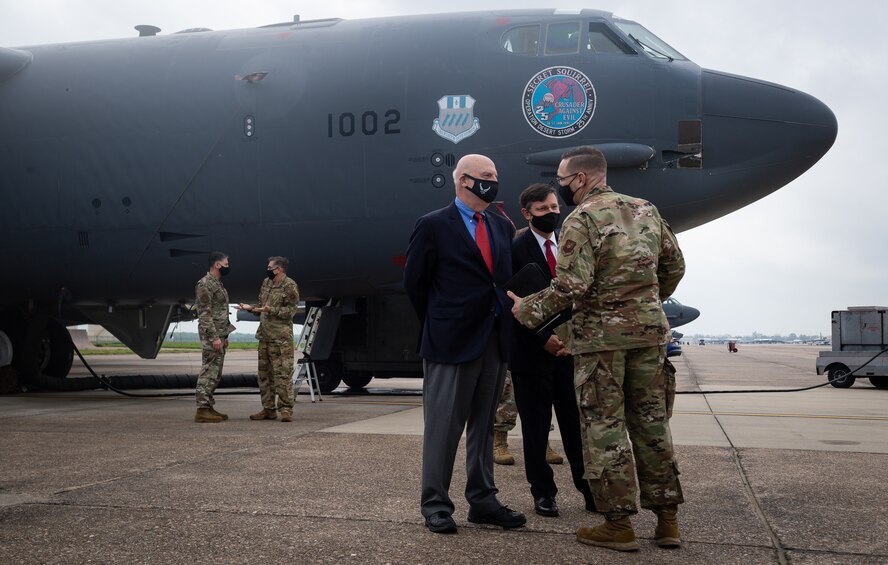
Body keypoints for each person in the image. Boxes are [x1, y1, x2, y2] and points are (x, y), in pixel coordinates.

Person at [509, 146, 686, 552]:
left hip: (602, 343)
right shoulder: (646, 210)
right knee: (652, 425)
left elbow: (570, 285)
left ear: (582, 179)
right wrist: (643, 299)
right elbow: (674, 267)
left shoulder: (582, 219)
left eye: (563, 179)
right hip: (648, 336)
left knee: (605, 430)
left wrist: (527, 310)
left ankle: (619, 525)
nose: (562, 186)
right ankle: (667, 522)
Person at [404, 153, 526, 535]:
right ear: (463, 181)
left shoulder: (501, 225)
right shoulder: (433, 225)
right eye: (486, 175)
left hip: (493, 338)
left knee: (484, 427)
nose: (493, 180)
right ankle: (436, 504)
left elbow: (502, 281)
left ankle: (483, 499)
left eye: (495, 174)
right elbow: (415, 284)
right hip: (450, 340)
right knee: (443, 428)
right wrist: (442, 321)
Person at [509, 183, 597, 518]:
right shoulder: (515, 248)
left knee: (576, 429)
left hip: (571, 353)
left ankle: (588, 490)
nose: (551, 213)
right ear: (527, 213)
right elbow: (510, 301)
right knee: (535, 429)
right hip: (532, 353)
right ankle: (543, 493)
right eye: (543, 209)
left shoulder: (571, 245)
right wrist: (542, 338)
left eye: (554, 207)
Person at [238, 256, 300, 423]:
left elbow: (291, 310)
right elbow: (261, 306)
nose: (268, 269)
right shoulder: (266, 283)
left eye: (270, 267)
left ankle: (286, 410)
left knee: (282, 375)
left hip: (281, 339)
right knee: (265, 376)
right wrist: (251, 309)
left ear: (278, 269)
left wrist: (271, 309)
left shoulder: (289, 285)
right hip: (264, 336)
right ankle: (268, 409)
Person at [194, 252, 236, 423]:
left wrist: (224, 335)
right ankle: (202, 409)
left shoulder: (217, 284)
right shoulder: (205, 284)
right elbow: (204, 313)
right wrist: (214, 337)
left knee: (215, 373)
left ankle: (208, 406)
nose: (228, 266)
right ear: (217, 265)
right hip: (212, 337)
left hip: (219, 334)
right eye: (226, 263)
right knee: (208, 371)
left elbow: (221, 313)